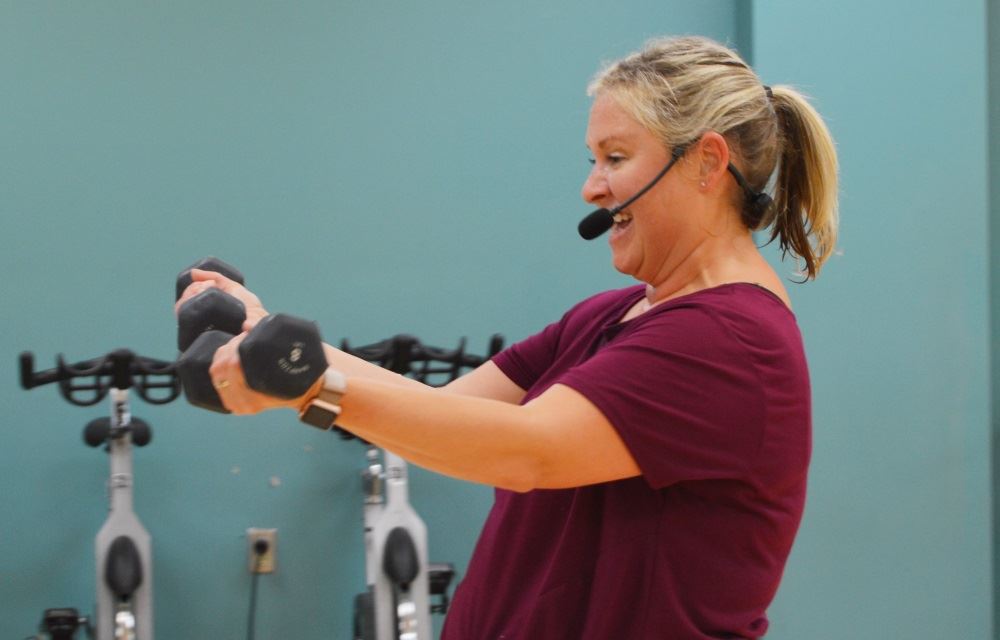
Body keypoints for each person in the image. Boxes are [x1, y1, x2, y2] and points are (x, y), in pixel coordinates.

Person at [178, 35, 838, 640]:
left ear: (707, 163)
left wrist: (311, 382)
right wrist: (268, 337)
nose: (592, 188)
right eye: (593, 160)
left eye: (615, 158)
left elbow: (526, 453)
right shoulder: (613, 316)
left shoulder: (728, 342)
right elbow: (449, 414)